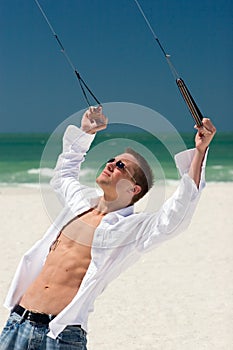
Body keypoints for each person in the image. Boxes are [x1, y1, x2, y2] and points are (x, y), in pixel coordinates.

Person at [0, 106, 216, 349]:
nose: (112, 164)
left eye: (122, 166)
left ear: (134, 189)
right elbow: (63, 175)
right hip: (17, 322)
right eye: (111, 160)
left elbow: (177, 215)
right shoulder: (79, 203)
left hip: (59, 335)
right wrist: (85, 133)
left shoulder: (130, 229)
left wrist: (199, 152)